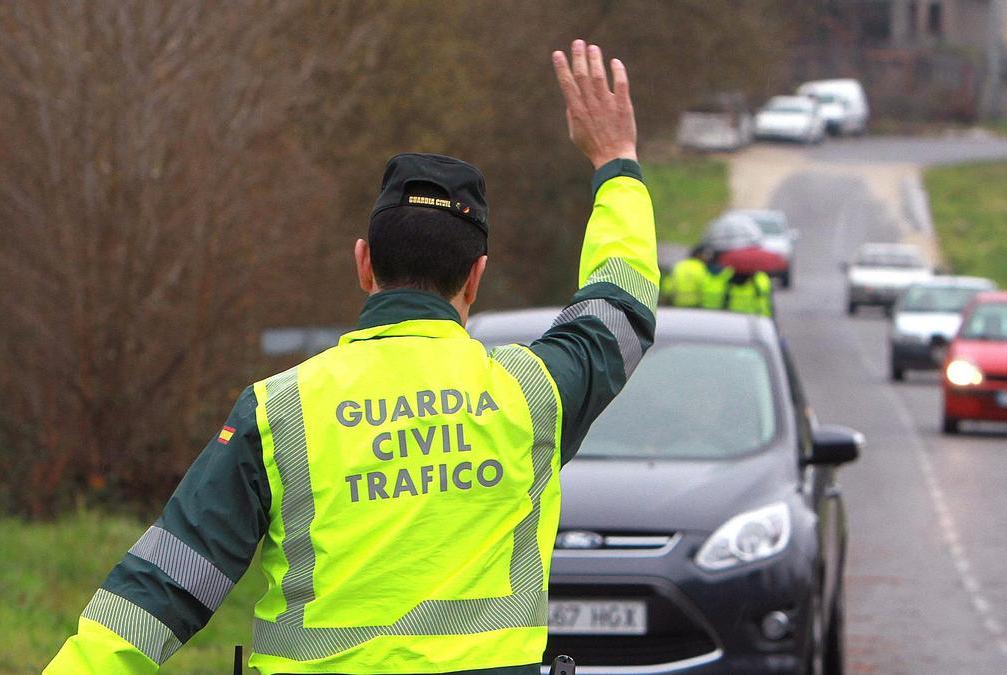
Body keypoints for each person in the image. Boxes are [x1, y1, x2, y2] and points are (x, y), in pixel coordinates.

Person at [45, 39, 658, 675]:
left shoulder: (280, 412)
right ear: (475, 278)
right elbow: (621, 309)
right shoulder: (534, 394)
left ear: (364, 263)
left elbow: (166, 583)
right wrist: (617, 165)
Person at [701, 261, 774, 317]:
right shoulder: (761, 278)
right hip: (756, 317)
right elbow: (765, 297)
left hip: (734, 315)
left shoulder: (728, 276)